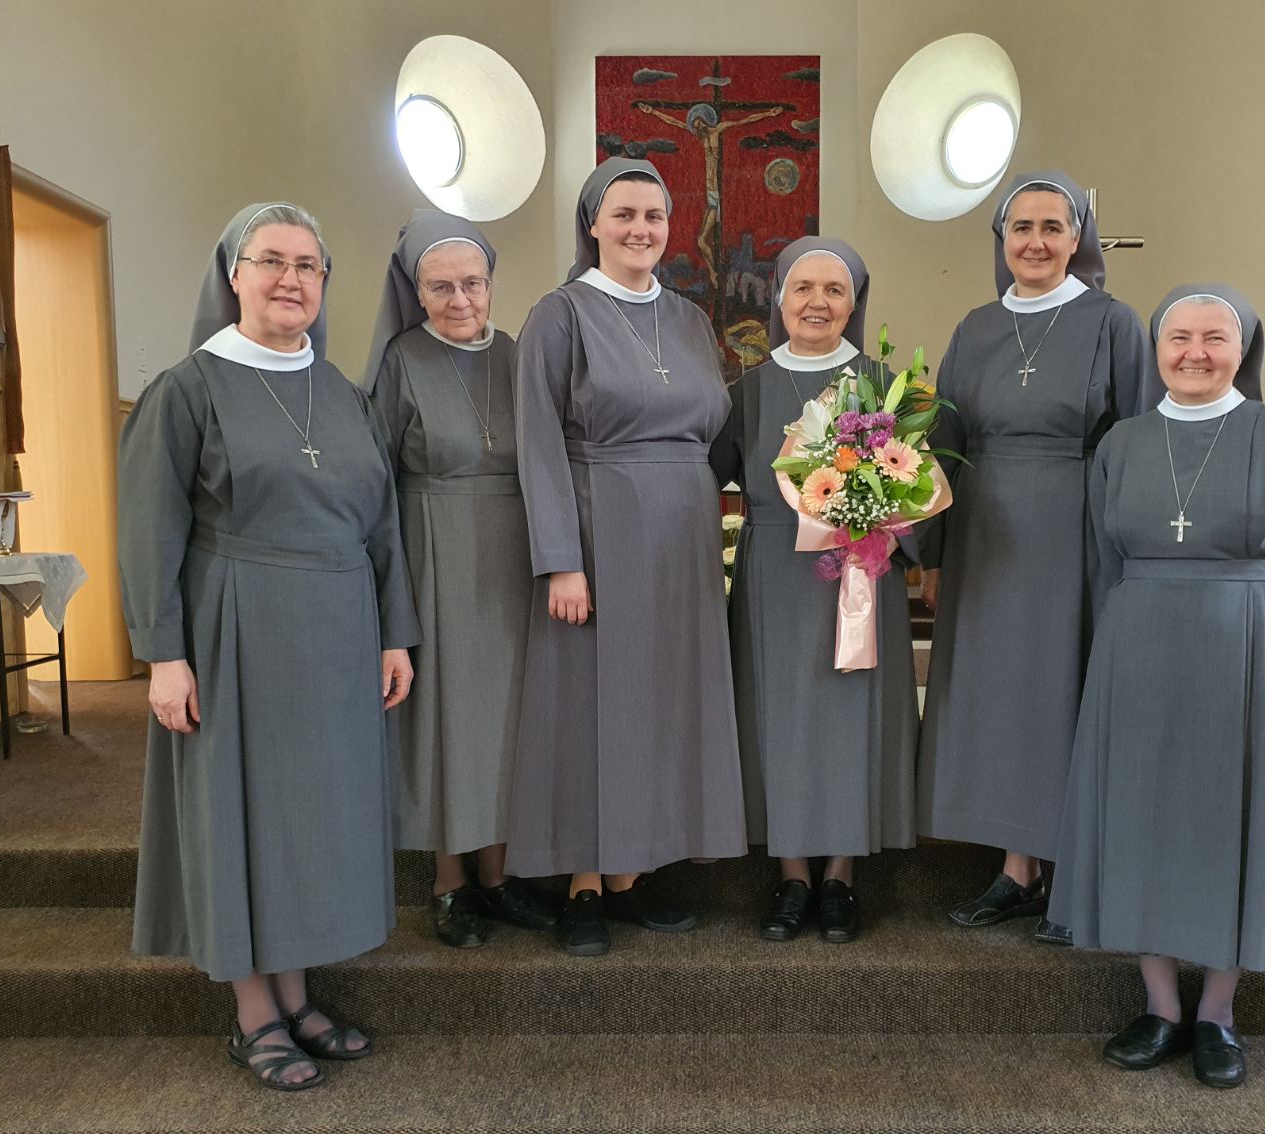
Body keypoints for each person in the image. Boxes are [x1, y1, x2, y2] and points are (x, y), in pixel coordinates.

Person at [119, 203, 419, 1091]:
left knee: (309, 819)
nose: (291, 280)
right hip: (236, 628)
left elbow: (384, 526)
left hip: (341, 629)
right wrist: (163, 654)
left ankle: (296, 994)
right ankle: (255, 1014)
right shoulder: (188, 389)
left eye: (307, 265)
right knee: (243, 814)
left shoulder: (345, 394)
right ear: (234, 276)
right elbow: (151, 530)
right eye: (271, 261)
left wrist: (395, 635)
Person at [1050, 283, 1265, 1089]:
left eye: (1215, 338)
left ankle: (1219, 1014)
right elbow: (1103, 558)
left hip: (1241, 641)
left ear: (1244, 348)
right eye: (1179, 338)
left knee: (1227, 816)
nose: (1195, 353)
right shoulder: (1122, 442)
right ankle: (1161, 1004)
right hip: (1137, 640)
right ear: (1157, 348)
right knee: (1142, 814)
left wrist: (1257, 627)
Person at [507, 157, 746, 956]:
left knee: (662, 702)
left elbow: (717, 434)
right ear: (593, 225)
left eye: (654, 215)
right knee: (590, 705)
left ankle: (632, 874)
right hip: (598, 529)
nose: (641, 229)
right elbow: (538, 441)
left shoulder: (689, 319)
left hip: (684, 538)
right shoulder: (560, 315)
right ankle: (582, 882)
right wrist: (560, 559)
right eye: (624, 214)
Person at [917, 171, 1152, 944]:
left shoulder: (1114, 323)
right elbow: (943, 445)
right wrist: (933, 553)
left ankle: (1074, 872)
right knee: (1003, 698)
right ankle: (1018, 869)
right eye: (1022, 227)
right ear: (1002, 238)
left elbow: (1139, 440)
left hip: (1077, 530)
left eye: (1053, 227)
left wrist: (1134, 553)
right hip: (985, 534)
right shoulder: (975, 328)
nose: (1037, 242)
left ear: (1077, 238)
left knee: (1066, 693)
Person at [361, 210, 559, 949]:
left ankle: (500, 875)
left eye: (473, 283)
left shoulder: (516, 353)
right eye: (441, 287)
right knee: (447, 717)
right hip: (434, 551)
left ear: (491, 283)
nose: (460, 300)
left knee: (508, 717)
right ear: (416, 292)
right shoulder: (400, 360)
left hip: (513, 557)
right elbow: (376, 480)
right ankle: (450, 880)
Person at [711, 236, 916, 942]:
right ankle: (792, 873)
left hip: (862, 576)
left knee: (850, 718)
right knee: (781, 719)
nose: (817, 303)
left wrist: (886, 524)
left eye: (834, 290)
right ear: (779, 299)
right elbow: (706, 478)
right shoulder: (746, 392)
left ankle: (841, 877)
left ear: (854, 304)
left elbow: (920, 491)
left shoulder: (888, 387)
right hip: (775, 576)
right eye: (803, 288)